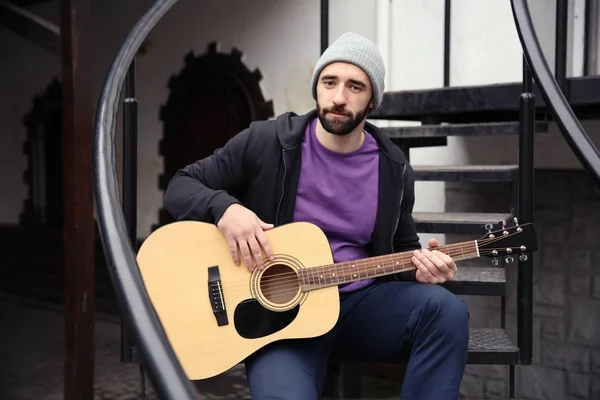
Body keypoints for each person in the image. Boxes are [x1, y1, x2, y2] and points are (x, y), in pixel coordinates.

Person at [164, 32, 469, 400]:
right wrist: (225, 209)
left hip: (359, 308)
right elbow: (180, 186)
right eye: (330, 82)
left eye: (355, 87)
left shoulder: (393, 168)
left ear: (372, 100)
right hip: (280, 317)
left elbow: (401, 249)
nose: (339, 97)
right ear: (317, 87)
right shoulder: (267, 142)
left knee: (446, 311)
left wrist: (423, 270)